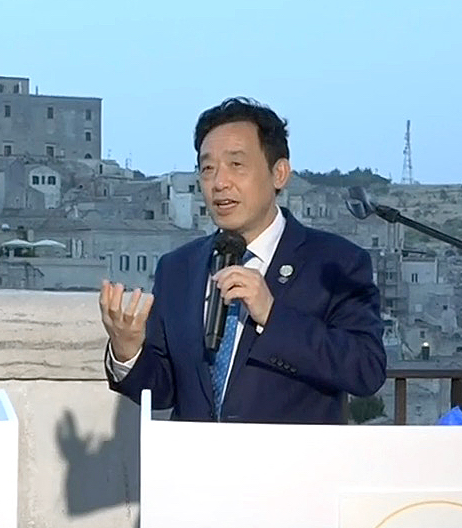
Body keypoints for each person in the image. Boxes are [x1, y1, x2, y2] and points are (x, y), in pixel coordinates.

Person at [99, 97, 385, 424]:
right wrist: (128, 351)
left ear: (279, 173)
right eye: (208, 169)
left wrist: (272, 315)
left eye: (236, 165)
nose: (219, 183)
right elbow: (163, 391)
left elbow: (366, 370)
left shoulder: (335, 263)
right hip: (195, 471)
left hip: (293, 470)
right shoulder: (178, 268)